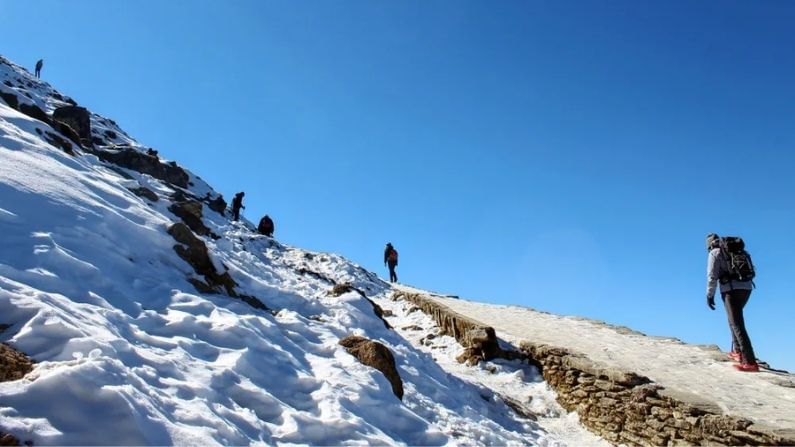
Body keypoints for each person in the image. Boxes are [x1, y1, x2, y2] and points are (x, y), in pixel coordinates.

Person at [705, 233, 758, 372]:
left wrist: (709, 295)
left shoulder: (715, 253)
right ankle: (738, 352)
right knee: (733, 319)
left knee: (736, 323)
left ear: (709, 244)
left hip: (731, 290)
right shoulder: (738, 250)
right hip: (746, 288)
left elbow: (712, 276)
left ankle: (750, 361)